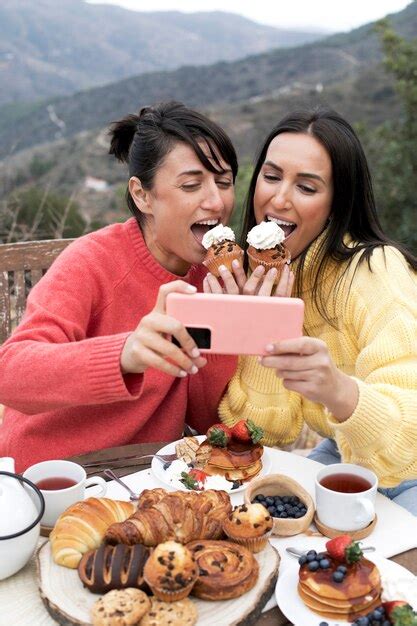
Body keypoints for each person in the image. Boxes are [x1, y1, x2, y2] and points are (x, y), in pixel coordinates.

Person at [0, 101, 239, 472]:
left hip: (144, 478)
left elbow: (204, 417)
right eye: (192, 185)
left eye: (224, 183)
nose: (216, 201)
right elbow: (11, 373)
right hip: (50, 476)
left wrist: (224, 326)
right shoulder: (93, 261)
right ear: (143, 195)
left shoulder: (211, 276)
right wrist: (124, 354)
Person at [205, 107, 417, 515]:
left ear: (337, 204)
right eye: (271, 176)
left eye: (306, 187)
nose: (279, 198)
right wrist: (258, 328)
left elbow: (409, 429)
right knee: (257, 513)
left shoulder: (376, 270)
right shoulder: (275, 274)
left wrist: (339, 391)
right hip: (345, 452)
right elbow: (267, 435)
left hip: (409, 469)